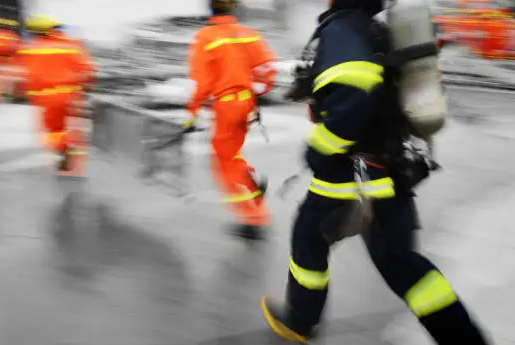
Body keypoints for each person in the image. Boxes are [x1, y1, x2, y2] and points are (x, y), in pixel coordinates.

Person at [260, 0, 491, 343]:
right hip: (390, 168)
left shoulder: (343, 28)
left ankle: (299, 321)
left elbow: (352, 94)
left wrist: (319, 149)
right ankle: (465, 338)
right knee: (401, 263)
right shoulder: (377, 31)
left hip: (347, 174)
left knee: (309, 239)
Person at [184, 0, 278, 240]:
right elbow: (268, 68)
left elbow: (202, 82)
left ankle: (253, 217)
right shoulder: (247, 34)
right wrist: (259, 92)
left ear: (209, 9)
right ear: (233, 8)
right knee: (230, 154)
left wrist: (192, 112)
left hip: (226, 105)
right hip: (245, 103)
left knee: (224, 163)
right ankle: (250, 180)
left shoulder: (205, 37)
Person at [9, 14, 96, 171]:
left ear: (34, 31)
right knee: (76, 126)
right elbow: (89, 70)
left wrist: (17, 92)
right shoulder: (72, 46)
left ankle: (63, 151)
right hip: (72, 94)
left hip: (46, 97)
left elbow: (19, 74)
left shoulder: (27, 49)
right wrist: (87, 88)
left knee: (55, 130)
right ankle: (78, 159)